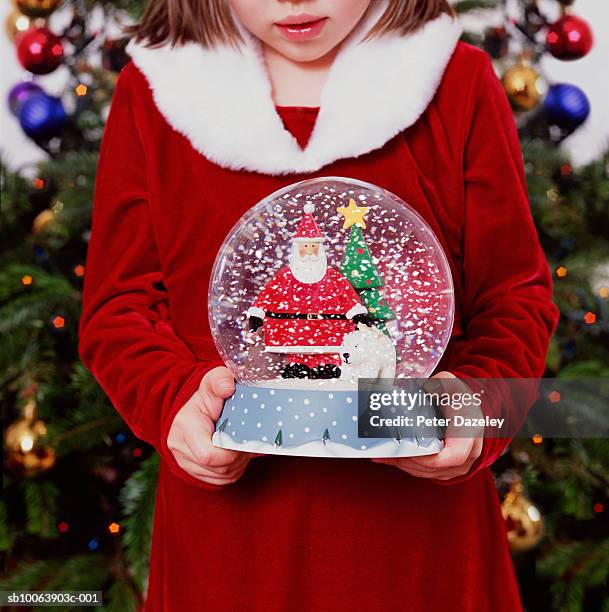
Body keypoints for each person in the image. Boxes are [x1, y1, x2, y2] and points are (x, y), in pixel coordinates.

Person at [78, 0, 559, 610]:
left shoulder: (456, 82)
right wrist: (173, 401)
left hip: (420, 548)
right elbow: (117, 308)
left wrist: (477, 407)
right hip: (230, 546)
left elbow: (515, 297)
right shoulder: (154, 92)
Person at [247, 202, 369, 379]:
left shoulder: (332, 276)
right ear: (297, 250)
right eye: (305, 247)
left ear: (320, 250)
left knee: (328, 351)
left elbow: (347, 296)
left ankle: (327, 366)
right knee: (297, 350)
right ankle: (297, 365)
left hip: (329, 328)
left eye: (313, 247)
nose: (310, 252)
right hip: (294, 329)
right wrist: (258, 314)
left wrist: (356, 312)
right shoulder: (285, 276)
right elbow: (269, 295)